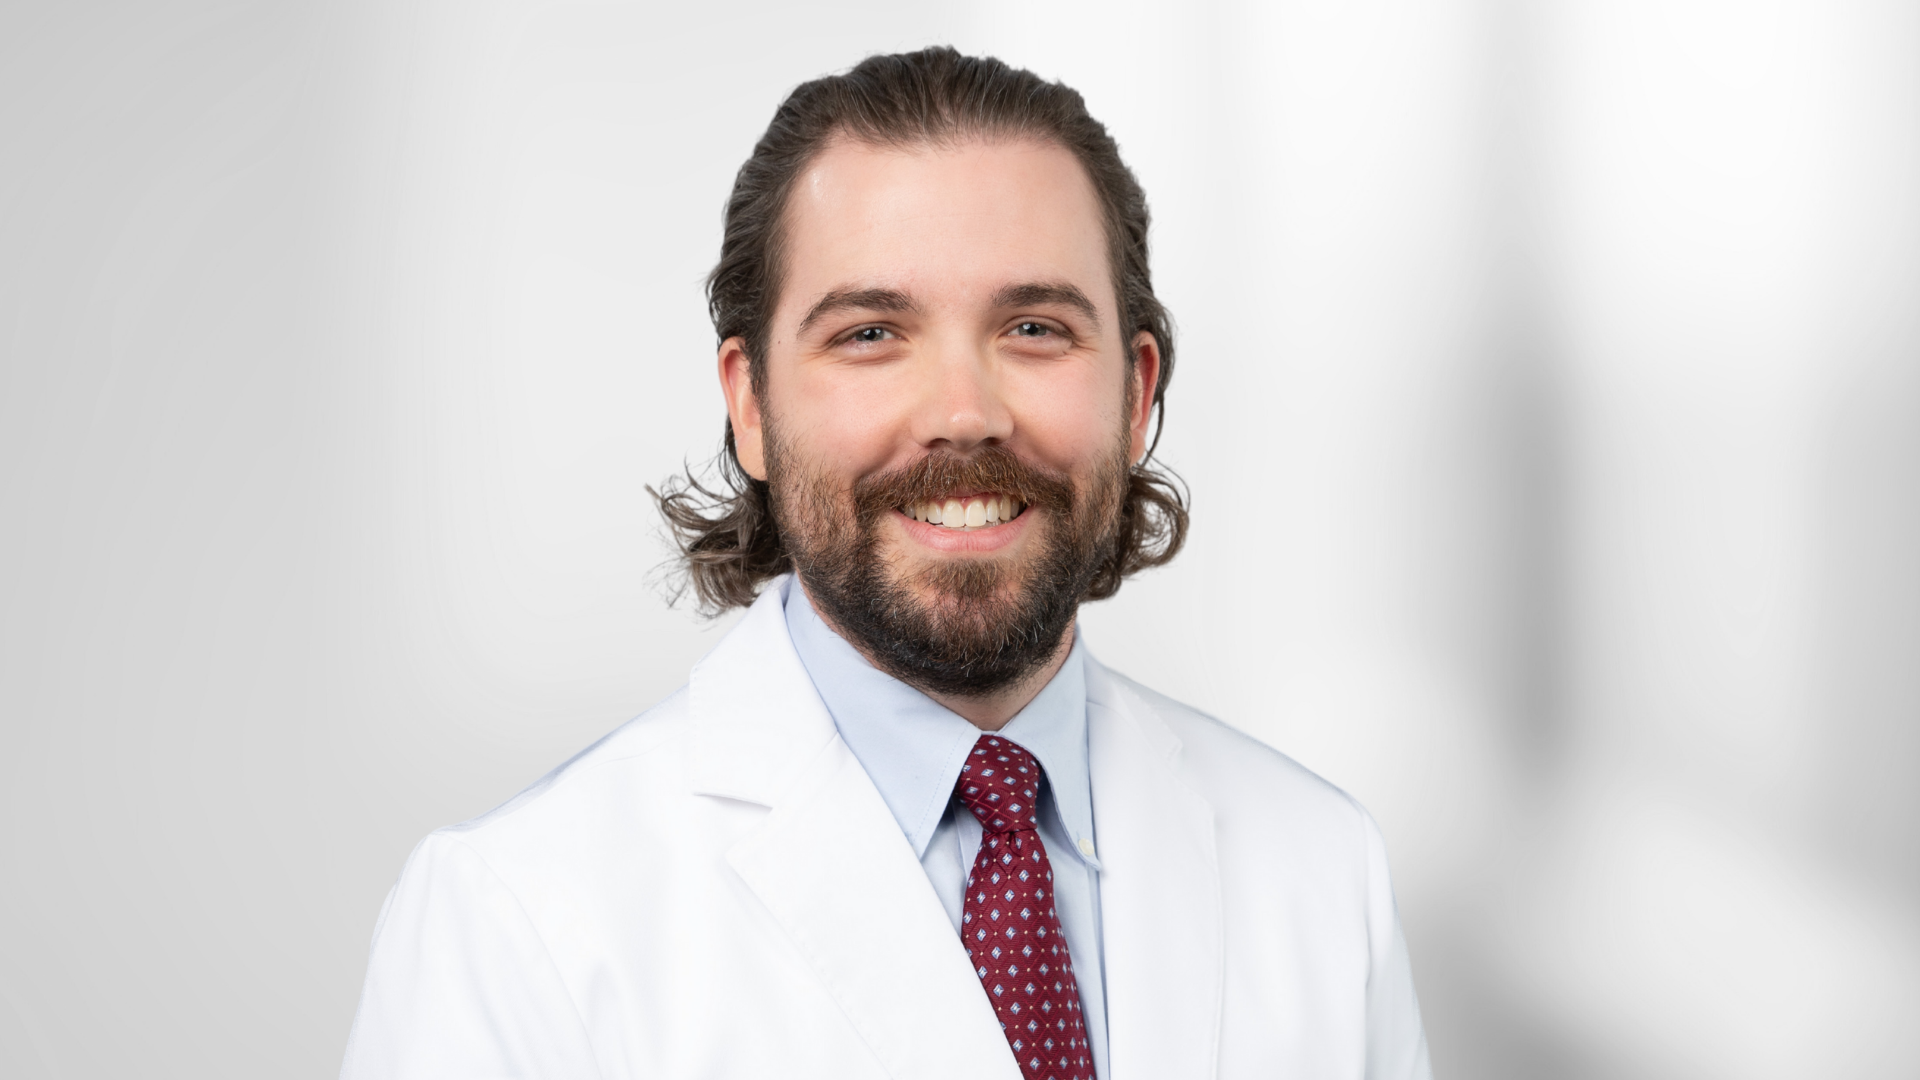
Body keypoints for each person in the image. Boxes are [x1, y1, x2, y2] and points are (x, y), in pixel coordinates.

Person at [341, 47, 1431, 1080]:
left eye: (1035, 328)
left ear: (1137, 393)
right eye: (870, 333)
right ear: (751, 407)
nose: (963, 411)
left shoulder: (1319, 868)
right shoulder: (517, 920)